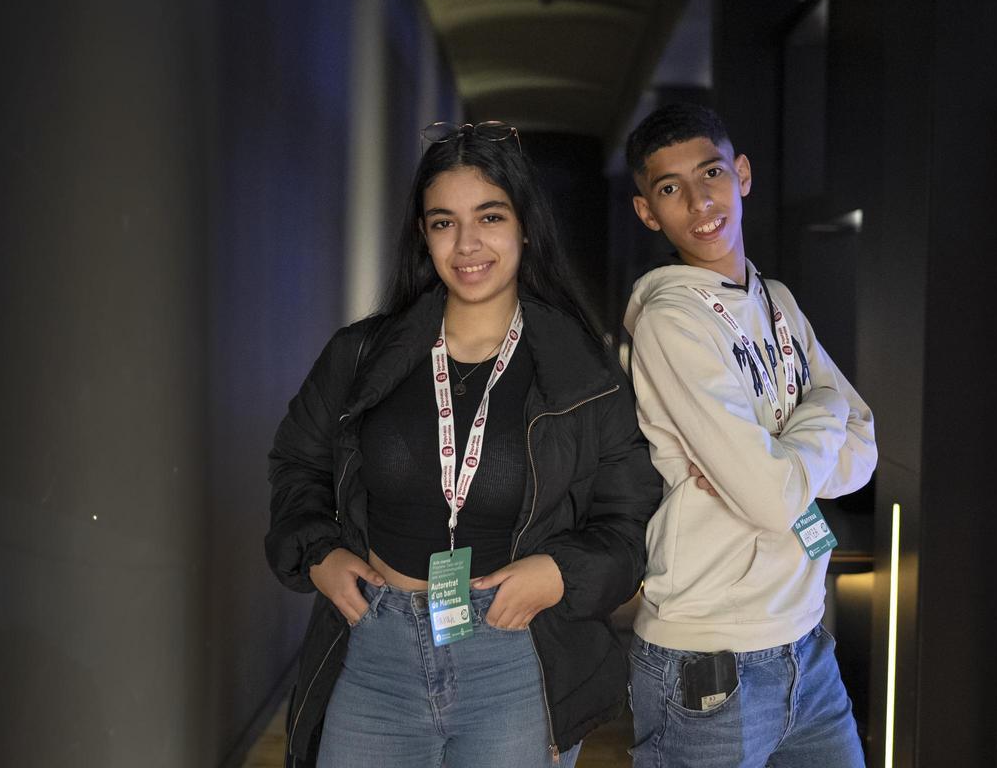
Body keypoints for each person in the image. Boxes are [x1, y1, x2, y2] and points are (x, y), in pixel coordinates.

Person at [265, 121, 660, 768]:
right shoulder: (361, 356)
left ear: (525, 227)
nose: (468, 243)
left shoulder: (580, 374)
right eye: (444, 222)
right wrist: (318, 553)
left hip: (512, 654)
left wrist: (561, 573)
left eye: (490, 216)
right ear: (423, 235)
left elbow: (633, 514)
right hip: (375, 646)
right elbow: (297, 462)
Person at [621, 102, 877, 767]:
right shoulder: (670, 321)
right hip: (708, 659)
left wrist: (780, 461)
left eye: (710, 173)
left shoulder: (778, 301)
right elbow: (772, 502)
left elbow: (865, 448)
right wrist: (818, 415)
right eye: (670, 189)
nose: (699, 201)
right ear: (648, 212)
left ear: (741, 173)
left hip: (805, 644)